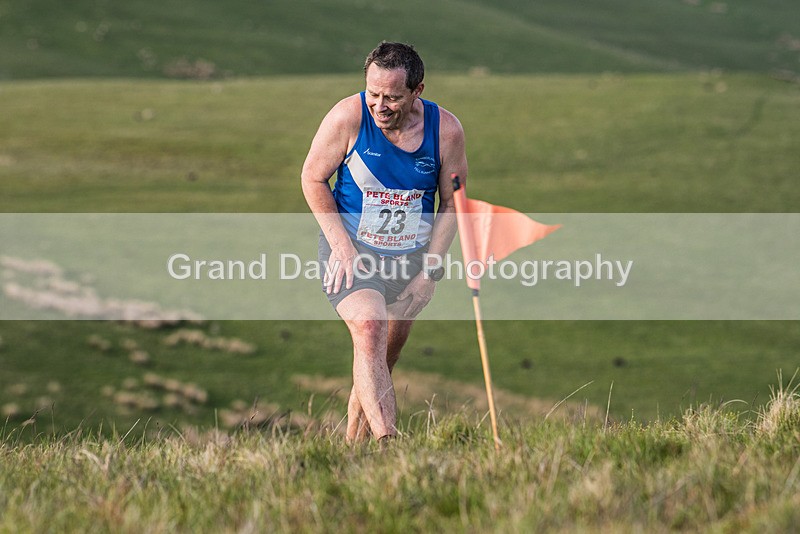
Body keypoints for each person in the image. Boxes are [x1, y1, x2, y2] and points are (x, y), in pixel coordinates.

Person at [301, 41, 468, 442]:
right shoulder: (348, 117)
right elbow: (311, 177)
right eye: (373, 94)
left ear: (417, 91)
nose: (380, 105)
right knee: (370, 329)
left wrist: (430, 272)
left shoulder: (445, 132)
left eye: (392, 97)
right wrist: (341, 246)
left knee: (379, 363)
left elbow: (453, 202)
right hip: (352, 249)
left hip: (410, 257)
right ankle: (388, 442)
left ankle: (353, 450)